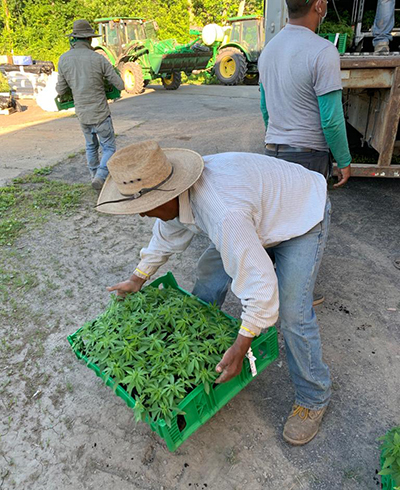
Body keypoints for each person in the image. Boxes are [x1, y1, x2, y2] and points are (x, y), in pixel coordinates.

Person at [97, 140, 332, 446]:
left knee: (292, 314)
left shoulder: (222, 211)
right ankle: (199, 346)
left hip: (301, 212)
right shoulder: (177, 195)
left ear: (168, 194)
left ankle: (313, 397)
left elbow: (260, 285)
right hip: (257, 212)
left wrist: (241, 346)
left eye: (145, 208)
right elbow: (167, 233)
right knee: (209, 276)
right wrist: (137, 278)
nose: (142, 216)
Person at [258, 0, 352, 187]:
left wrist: (279, 136)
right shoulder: (323, 51)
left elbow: (265, 108)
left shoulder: (268, 50)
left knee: (279, 215)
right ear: (318, 6)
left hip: (271, 154)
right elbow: (331, 120)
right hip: (308, 158)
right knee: (309, 216)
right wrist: (343, 160)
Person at [56, 19, 125, 190]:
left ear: (74, 38)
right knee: (108, 146)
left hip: (83, 114)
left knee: (90, 146)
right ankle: (101, 176)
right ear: (89, 39)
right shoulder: (98, 59)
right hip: (100, 113)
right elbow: (120, 85)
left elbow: (61, 89)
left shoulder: (63, 59)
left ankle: (94, 175)